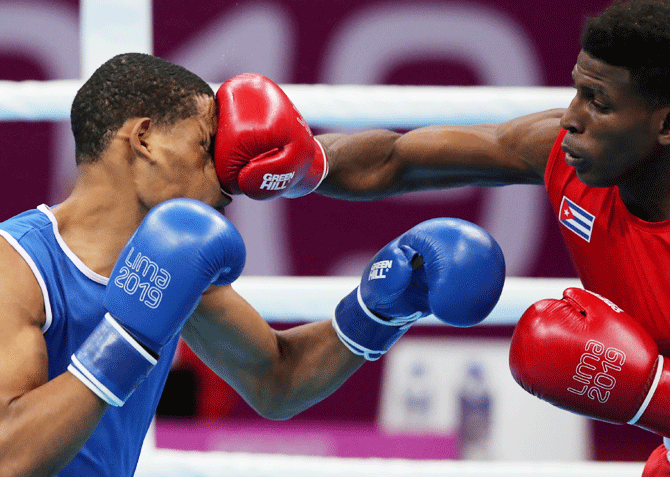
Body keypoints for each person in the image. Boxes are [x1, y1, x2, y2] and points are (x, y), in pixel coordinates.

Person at [211, 0, 670, 473]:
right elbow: (398, 159)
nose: (572, 118)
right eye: (577, 91)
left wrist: (649, 392)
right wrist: (304, 163)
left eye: (600, 103)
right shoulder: (563, 153)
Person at [0, 52, 506, 477]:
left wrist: (376, 312)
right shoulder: (17, 265)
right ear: (144, 138)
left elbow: (277, 379)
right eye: (206, 146)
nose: (228, 180)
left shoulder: (170, 268)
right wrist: (125, 341)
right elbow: (9, 455)